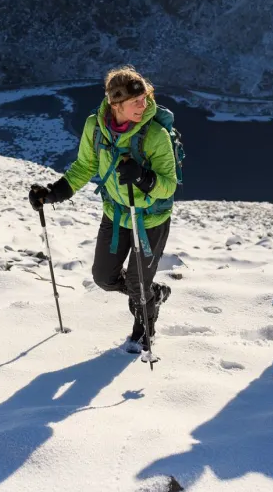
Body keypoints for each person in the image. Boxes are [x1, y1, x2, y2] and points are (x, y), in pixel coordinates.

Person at [28, 66, 177, 351]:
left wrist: (144, 177)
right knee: (104, 278)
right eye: (136, 102)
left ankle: (145, 325)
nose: (143, 106)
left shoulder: (156, 135)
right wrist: (54, 193)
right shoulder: (95, 127)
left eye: (145, 99)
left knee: (136, 282)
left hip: (151, 219)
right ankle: (152, 293)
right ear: (115, 103)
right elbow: (85, 166)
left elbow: (168, 185)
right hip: (116, 214)